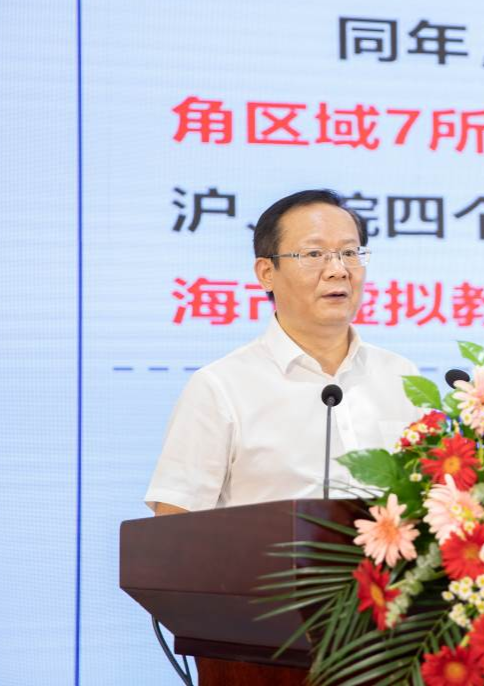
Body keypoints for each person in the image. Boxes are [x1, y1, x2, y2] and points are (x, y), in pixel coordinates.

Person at [145, 189, 420, 515]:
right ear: (266, 273)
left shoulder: (401, 376)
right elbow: (173, 525)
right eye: (314, 254)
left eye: (349, 253)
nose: (338, 270)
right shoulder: (220, 387)